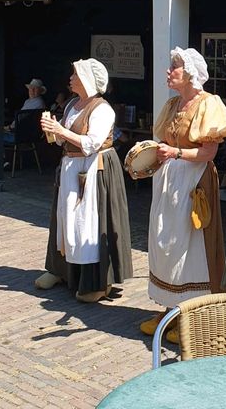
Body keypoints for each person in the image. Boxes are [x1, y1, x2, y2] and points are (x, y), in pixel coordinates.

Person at [139, 47, 226, 343]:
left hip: (194, 181)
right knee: (164, 240)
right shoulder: (172, 105)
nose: (169, 71)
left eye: (175, 67)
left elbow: (209, 152)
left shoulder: (209, 104)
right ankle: (169, 310)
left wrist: (176, 152)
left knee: (190, 245)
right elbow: (163, 142)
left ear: (191, 72)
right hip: (169, 179)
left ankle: (192, 315)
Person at [36, 59, 133, 302]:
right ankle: (62, 271)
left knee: (88, 222)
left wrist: (61, 131)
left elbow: (92, 143)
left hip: (93, 170)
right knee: (65, 218)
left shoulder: (102, 109)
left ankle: (96, 282)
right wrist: (53, 130)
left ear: (88, 80)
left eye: (76, 74)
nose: (70, 78)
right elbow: (62, 141)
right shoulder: (71, 105)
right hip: (71, 167)